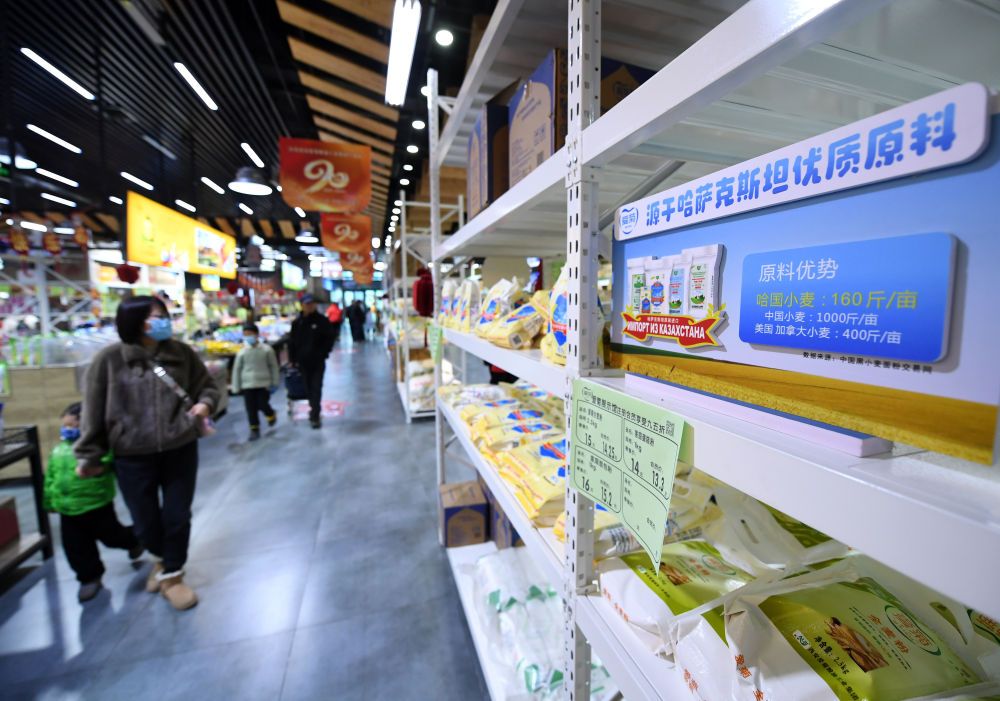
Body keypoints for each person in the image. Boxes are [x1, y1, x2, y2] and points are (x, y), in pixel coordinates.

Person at [76, 295, 219, 611]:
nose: (163, 321)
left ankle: (173, 575)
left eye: (164, 315)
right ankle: (161, 559)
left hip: (180, 446)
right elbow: (93, 411)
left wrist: (205, 404)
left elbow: (207, 386)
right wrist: (89, 455)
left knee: (177, 516)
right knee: (144, 522)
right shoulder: (109, 360)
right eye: (155, 316)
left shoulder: (181, 353)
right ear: (135, 321)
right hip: (131, 454)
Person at [44, 402, 143, 602]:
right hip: (68, 509)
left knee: (112, 536)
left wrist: (99, 465)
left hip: (97, 505)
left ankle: (135, 540)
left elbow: (109, 461)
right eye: (65, 426)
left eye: (72, 426)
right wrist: (49, 502)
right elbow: (50, 479)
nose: (67, 430)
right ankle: (89, 578)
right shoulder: (58, 451)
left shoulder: (99, 447)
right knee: (76, 547)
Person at [288, 294, 335, 428]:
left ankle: (315, 414)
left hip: (317, 361)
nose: (309, 306)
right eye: (307, 304)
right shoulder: (297, 323)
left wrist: (324, 353)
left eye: (312, 304)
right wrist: (292, 359)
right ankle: (313, 407)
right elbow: (292, 342)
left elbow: (330, 338)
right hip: (302, 362)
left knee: (316, 387)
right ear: (302, 305)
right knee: (307, 387)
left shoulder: (322, 321)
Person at [232, 323, 280, 441]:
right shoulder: (242, 352)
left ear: (257, 334)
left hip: (263, 383)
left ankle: (270, 414)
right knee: (250, 408)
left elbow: (273, 366)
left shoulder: (267, 350)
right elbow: (237, 370)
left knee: (262, 403)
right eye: (245, 334)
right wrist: (236, 386)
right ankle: (254, 429)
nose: (248, 336)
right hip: (247, 384)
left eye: (250, 334)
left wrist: (275, 382)